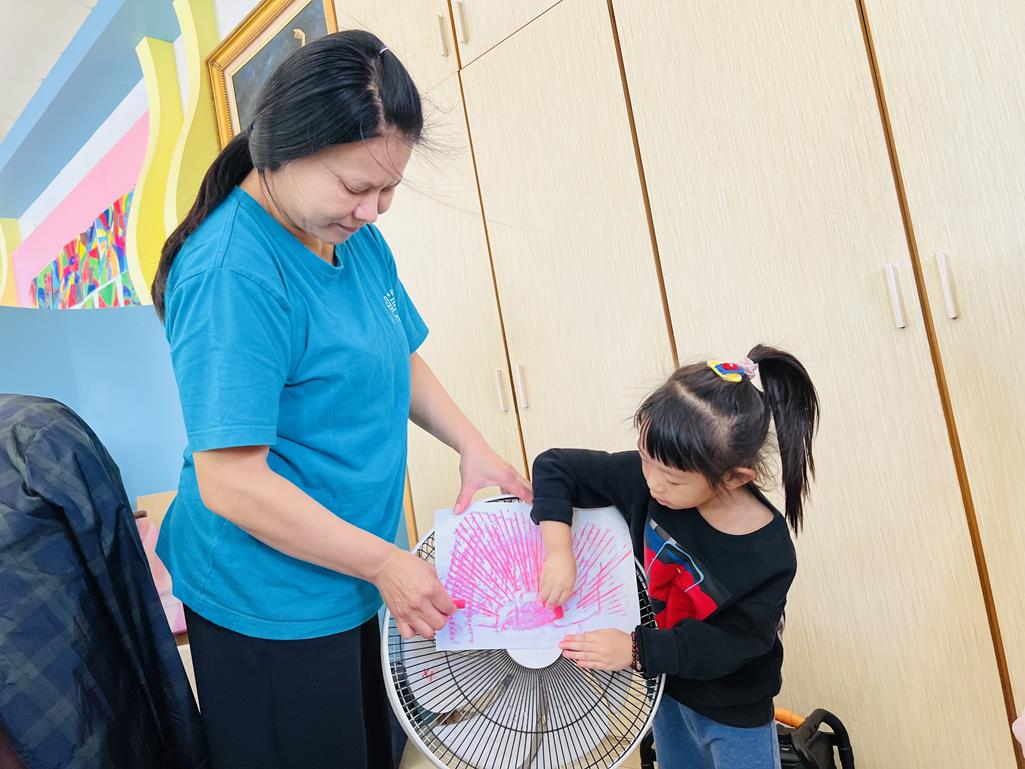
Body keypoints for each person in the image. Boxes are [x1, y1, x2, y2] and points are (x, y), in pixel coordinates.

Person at [150, 30, 530, 769]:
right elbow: (231, 482)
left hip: (359, 567)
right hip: (270, 596)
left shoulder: (349, 236)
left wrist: (472, 445)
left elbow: (395, 350)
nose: (373, 210)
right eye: (356, 187)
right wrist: (384, 563)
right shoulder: (232, 273)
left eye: (388, 190)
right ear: (280, 147)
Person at [531, 345, 819, 769]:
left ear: (734, 477)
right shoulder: (647, 481)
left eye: (670, 479)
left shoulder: (768, 552)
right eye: (645, 459)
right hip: (667, 689)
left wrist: (635, 649)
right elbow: (554, 466)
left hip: (734, 711)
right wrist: (559, 552)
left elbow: (732, 643)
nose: (651, 483)